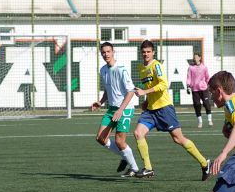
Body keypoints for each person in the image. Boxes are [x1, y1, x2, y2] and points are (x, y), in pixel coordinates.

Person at [132, 40, 211, 180]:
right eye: (143, 52)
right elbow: (152, 87)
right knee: (138, 133)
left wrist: (144, 92)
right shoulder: (141, 68)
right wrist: (147, 100)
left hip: (164, 108)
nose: (146, 54)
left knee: (178, 139)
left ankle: (205, 163)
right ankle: (148, 168)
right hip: (151, 110)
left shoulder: (156, 66)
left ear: (153, 52)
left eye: (148, 52)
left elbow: (163, 84)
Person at [91, 42, 140, 177]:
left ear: (113, 52)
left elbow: (130, 91)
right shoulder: (103, 70)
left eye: (108, 51)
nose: (106, 54)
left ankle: (135, 169)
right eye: (103, 52)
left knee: (119, 141)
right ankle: (126, 157)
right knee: (100, 138)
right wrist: (100, 102)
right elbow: (108, 89)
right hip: (112, 108)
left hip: (124, 109)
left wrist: (120, 110)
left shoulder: (121, 69)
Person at [186, 52, 213, 128]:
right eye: (194, 57)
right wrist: (188, 86)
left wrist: (209, 85)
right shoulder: (190, 68)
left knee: (206, 103)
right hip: (194, 89)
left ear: (200, 58)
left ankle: (209, 120)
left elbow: (207, 77)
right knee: (197, 105)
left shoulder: (204, 67)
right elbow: (189, 78)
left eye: (196, 57)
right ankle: (200, 122)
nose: (195, 59)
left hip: (203, 89)